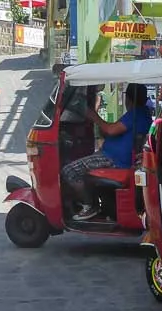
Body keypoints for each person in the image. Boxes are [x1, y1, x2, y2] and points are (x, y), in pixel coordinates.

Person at [61, 84, 152, 220]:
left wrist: (92, 114)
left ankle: (89, 205)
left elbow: (111, 130)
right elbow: (112, 130)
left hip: (113, 159)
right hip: (111, 155)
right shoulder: (143, 114)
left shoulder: (136, 114)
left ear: (128, 99)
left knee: (69, 170)